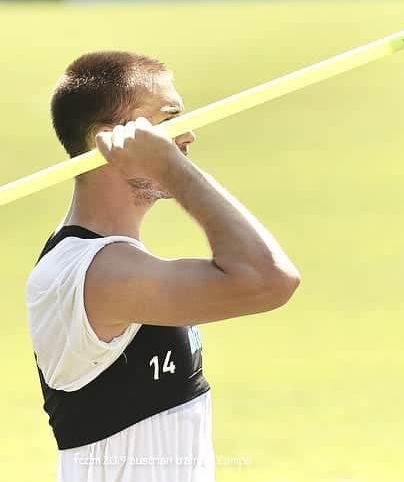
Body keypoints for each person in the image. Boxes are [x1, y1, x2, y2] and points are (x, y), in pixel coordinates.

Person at [25, 51, 301, 482]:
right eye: (169, 119)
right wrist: (169, 168)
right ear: (108, 140)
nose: (187, 135)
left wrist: (168, 162)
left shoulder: (114, 261)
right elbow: (268, 278)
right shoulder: (98, 274)